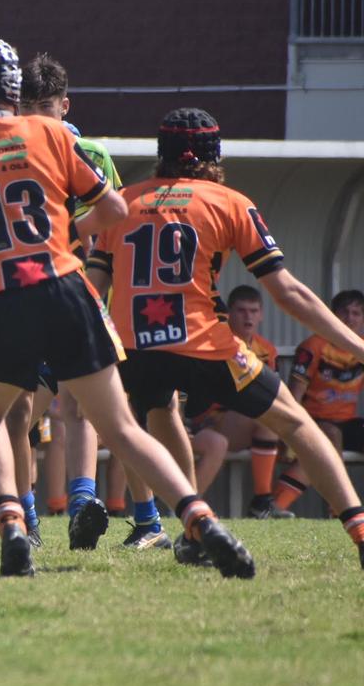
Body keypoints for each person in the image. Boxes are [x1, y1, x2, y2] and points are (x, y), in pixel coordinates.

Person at [0, 38, 254, 579]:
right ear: (16, 88)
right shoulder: (49, 133)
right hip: (68, 287)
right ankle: (199, 518)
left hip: (1, 299)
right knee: (120, 425)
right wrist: (65, 233)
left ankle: (13, 526)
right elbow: (113, 208)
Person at [85, 107, 364, 570]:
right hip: (204, 343)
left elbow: (92, 287)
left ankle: (195, 529)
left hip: (135, 347)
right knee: (296, 424)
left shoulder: (122, 202)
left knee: (161, 410)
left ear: (162, 155)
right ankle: (358, 527)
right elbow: (288, 293)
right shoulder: (230, 202)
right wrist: (357, 345)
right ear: (214, 155)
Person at [187, 285, 292, 516]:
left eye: (253, 311)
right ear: (229, 313)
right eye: (241, 311)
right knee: (264, 416)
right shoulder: (216, 343)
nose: (248, 317)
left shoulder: (267, 350)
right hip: (209, 421)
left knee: (274, 419)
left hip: (242, 421)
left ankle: (263, 502)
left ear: (262, 314)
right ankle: (188, 509)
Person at [272, 289, 364, 513]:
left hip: (347, 421)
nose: (349, 318)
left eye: (356, 313)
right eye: (344, 312)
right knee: (329, 437)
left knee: (335, 434)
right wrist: (288, 434)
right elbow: (295, 394)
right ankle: (342, 510)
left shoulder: (360, 348)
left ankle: (275, 507)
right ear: (331, 315)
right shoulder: (313, 346)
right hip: (313, 420)